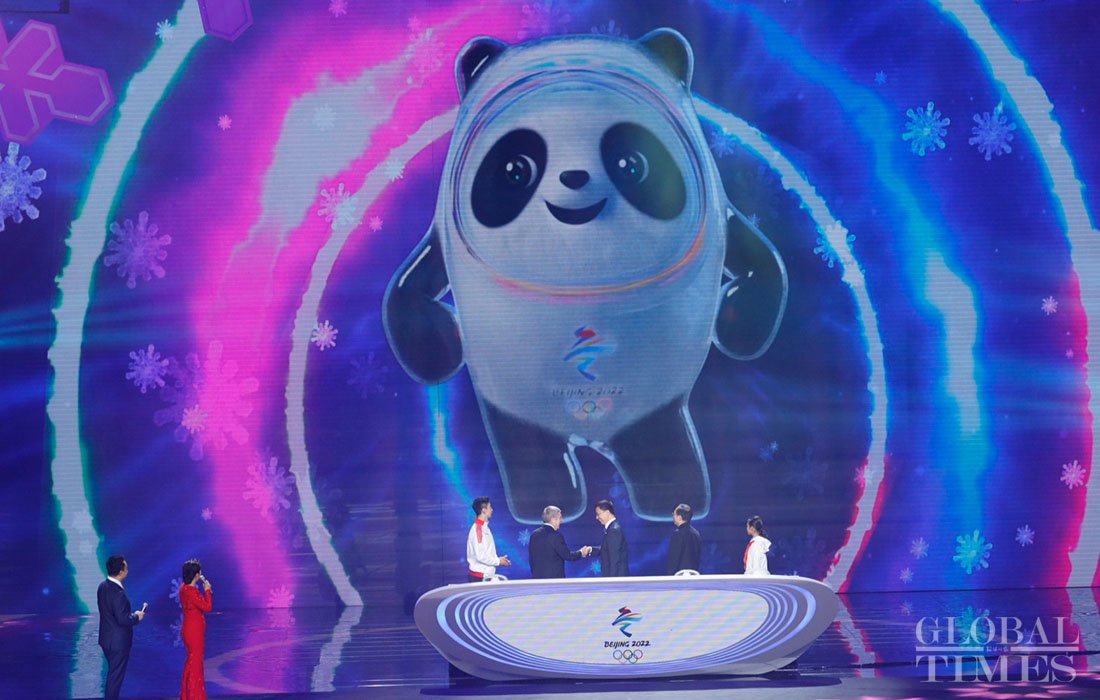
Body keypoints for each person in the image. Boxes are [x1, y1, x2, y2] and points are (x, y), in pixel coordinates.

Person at [97, 554, 145, 700]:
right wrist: (137, 616)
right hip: (118, 643)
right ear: (120, 571)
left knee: (113, 674)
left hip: (106, 640)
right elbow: (123, 619)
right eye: (126, 567)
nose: (127, 570)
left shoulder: (102, 586)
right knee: (115, 678)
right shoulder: (118, 593)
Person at [179, 558, 213, 700]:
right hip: (194, 632)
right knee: (196, 665)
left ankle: (188, 695)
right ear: (196, 575)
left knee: (191, 662)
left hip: (189, 629)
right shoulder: (192, 592)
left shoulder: (184, 589)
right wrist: (208, 591)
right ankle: (195, 696)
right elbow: (207, 607)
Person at [528, 505, 592, 578]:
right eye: (560, 518)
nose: (561, 521)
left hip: (537, 580)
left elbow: (531, 559)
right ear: (553, 519)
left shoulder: (534, 534)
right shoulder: (556, 536)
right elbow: (567, 555)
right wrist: (581, 553)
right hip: (554, 581)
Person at [466, 496, 511, 582]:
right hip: (481, 576)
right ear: (483, 510)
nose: (492, 510)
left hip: (487, 575)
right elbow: (480, 556)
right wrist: (498, 561)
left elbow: (485, 552)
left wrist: (499, 559)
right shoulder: (478, 530)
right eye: (490, 507)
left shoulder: (484, 527)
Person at [590, 499, 629, 577]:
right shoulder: (612, 529)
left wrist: (611, 581)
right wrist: (591, 549)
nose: (597, 517)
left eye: (598, 514)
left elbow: (614, 559)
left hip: (615, 578)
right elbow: (608, 549)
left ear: (607, 512)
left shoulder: (614, 530)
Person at [667, 503, 702, 575]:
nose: (673, 517)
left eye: (674, 514)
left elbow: (674, 559)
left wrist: (670, 576)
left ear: (679, 517)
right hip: (694, 575)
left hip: (680, 576)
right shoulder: (696, 534)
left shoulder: (677, 534)